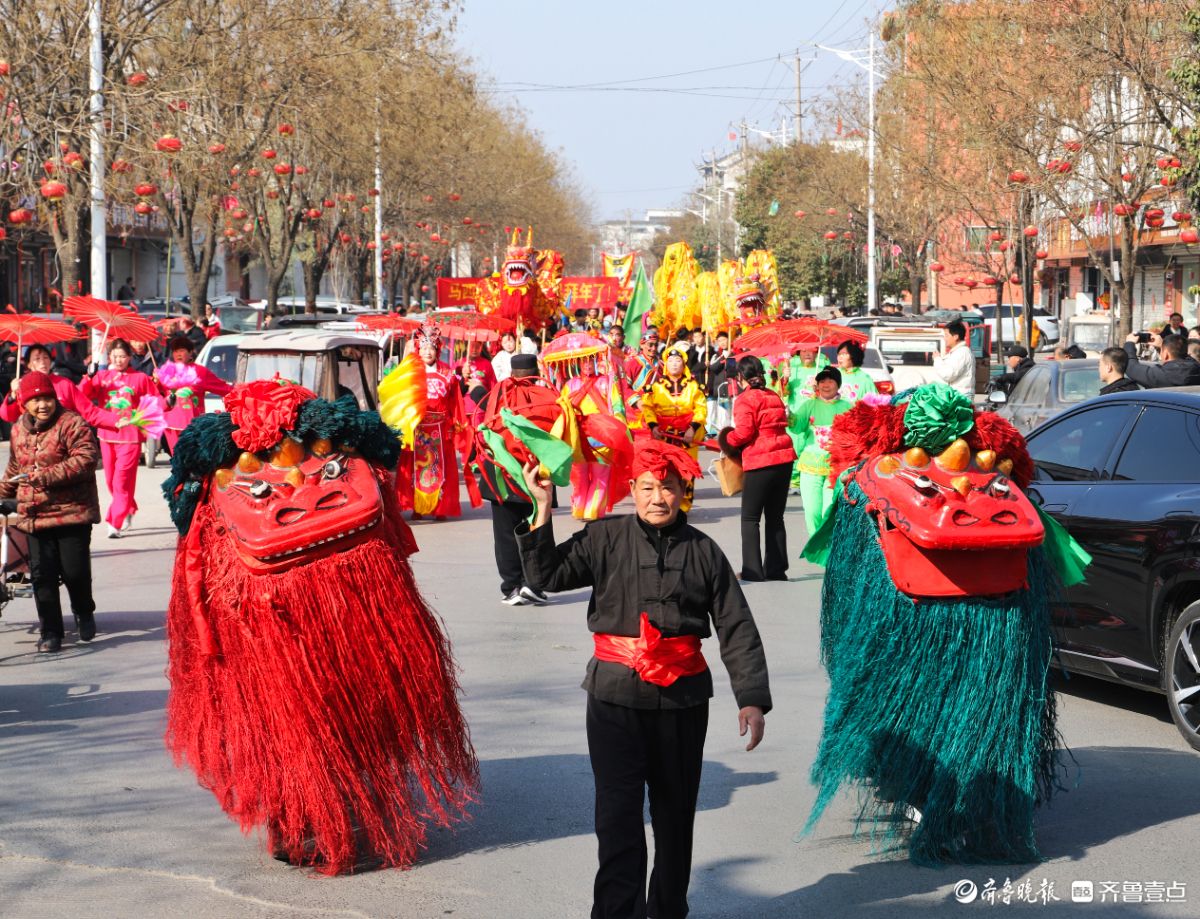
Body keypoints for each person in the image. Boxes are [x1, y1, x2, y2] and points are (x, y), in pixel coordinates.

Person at [517, 440, 771, 919]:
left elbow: (736, 626)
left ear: (684, 491)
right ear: (632, 489)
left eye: (669, 488)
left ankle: (668, 910)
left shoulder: (705, 552)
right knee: (617, 819)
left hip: (682, 702)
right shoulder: (603, 538)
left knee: (675, 820)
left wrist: (751, 698)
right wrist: (543, 507)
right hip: (614, 700)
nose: (658, 498)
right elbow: (547, 575)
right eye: (648, 487)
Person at [0, 371, 101, 653]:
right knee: (42, 575)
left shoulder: (72, 423)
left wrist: (45, 476)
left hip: (72, 511)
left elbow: (86, 459)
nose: (42, 405)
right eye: (35, 400)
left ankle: (83, 610)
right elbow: (15, 467)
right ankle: (51, 632)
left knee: (74, 572)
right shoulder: (18, 428)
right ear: (24, 404)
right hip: (33, 513)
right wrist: (3, 492)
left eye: (46, 398)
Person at [474, 353, 559, 605]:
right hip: (535, 475)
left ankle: (511, 586)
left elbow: (483, 426)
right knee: (537, 530)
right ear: (536, 371)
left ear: (512, 373)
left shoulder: (496, 396)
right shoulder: (550, 399)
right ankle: (533, 584)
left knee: (505, 535)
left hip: (503, 475)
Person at [719, 356, 796, 582]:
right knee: (775, 517)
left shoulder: (745, 400)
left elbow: (743, 433)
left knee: (750, 518)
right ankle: (776, 569)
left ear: (740, 377)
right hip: (784, 458)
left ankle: (753, 571)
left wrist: (726, 441)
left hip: (760, 460)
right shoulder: (773, 395)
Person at [80, 338, 160, 537]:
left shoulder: (140, 378)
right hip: (107, 435)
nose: (118, 360)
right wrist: (89, 377)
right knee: (110, 481)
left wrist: (165, 392)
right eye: (115, 356)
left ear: (130, 357)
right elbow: (83, 395)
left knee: (121, 481)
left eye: (122, 356)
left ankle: (114, 522)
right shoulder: (102, 376)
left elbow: (156, 400)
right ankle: (128, 508)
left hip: (131, 436)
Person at [396, 325, 469, 519]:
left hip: (440, 427)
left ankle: (440, 507)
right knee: (415, 468)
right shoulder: (410, 373)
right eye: (424, 348)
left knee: (441, 468)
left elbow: (455, 402)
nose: (427, 352)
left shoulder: (448, 374)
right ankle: (418, 506)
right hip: (417, 428)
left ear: (437, 350)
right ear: (418, 350)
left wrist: (456, 424)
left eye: (431, 348)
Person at [640, 344, 707, 511]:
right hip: (664, 435)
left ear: (684, 364)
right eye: (670, 361)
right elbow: (648, 408)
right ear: (665, 364)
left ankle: (684, 506)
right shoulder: (657, 386)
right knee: (666, 470)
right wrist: (653, 426)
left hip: (687, 436)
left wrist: (693, 428)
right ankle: (667, 504)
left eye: (678, 360)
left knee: (687, 470)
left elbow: (701, 408)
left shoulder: (693, 385)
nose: (674, 364)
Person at [790, 367, 853, 539]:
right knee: (812, 511)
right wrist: (787, 414)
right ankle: (816, 542)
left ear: (838, 385)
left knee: (829, 510)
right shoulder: (809, 404)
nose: (826, 385)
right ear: (817, 385)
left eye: (831, 381)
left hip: (836, 468)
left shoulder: (847, 407)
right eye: (822, 381)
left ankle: (830, 549)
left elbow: (855, 436)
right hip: (810, 465)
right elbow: (796, 427)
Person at [156, 336, 233, 452]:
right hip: (171, 424)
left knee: (191, 458)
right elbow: (155, 392)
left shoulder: (200, 372)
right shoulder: (167, 371)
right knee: (177, 458)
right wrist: (156, 380)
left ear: (191, 352)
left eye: (182, 350)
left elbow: (223, 388)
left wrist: (244, 392)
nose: (178, 354)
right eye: (175, 351)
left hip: (193, 424)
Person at [782, 346, 828, 492]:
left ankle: (807, 479)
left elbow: (830, 391)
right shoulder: (791, 367)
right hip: (795, 417)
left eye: (811, 351)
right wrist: (785, 378)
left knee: (810, 448)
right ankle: (794, 480)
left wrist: (818, 386)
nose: (807, 353)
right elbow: (783, 392)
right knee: (795, 447)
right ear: (799, 353)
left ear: (816, 353)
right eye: (804, 351)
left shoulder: (822, 368)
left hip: (815, 416)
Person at [1123, 331, 1200, 387]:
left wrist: (1129, 343)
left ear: (1166, 354)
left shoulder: (1164, 375)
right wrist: (1162, 345)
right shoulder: (1196, 368)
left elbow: (1131, 368)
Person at [932, 320, 975, 397]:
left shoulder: (962, 353)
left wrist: (937, 360)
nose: (944, 338)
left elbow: (948, 375)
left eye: (946, 335)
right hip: (956, 397)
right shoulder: (957, 352)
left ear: (955, 337)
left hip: (959, 399)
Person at [705, 332, 737, 434]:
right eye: (719, 341)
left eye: (724, 339)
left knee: (734, 414)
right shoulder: (716, 355)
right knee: (723, 414)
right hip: (722, 390)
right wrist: (723, 357)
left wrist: (730, 357)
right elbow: (713, 368)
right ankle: (724, 435)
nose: (722, 342)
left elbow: (732, 371)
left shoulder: (735, 353)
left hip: (733, 389)